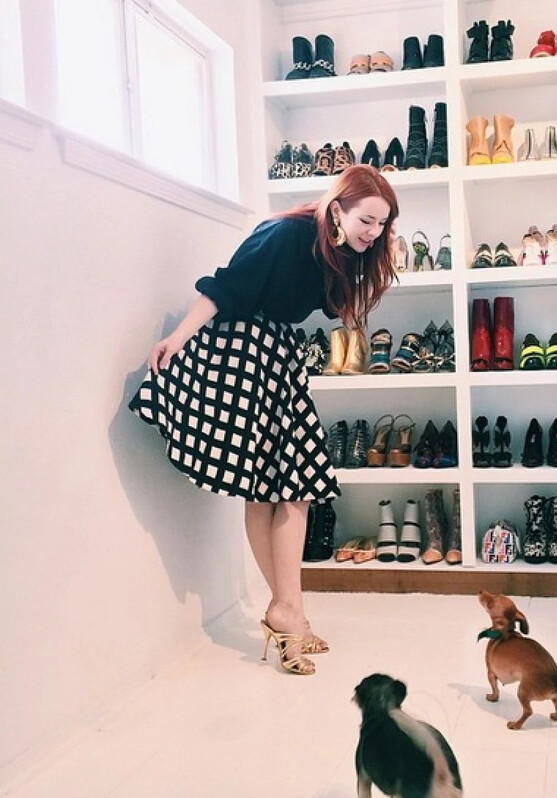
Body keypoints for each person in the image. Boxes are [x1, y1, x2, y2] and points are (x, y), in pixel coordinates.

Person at [129, 164, 399, 675]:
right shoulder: (284, 234)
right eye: (367, 220)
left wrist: (366, 259)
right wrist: (177, 339)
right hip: (243, 354)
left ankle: (286, 608)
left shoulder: (339, 252)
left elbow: (328, 305)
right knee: (275, 486)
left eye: (383, 224)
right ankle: (289, 611)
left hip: (277, 357)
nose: (374, 232)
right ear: (336, 208)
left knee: (287, 485)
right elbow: (225, 288)